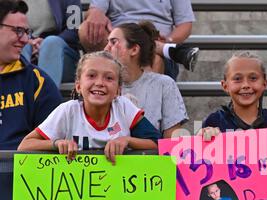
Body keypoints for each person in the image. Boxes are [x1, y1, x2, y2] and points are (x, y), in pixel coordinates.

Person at [18, 51, 161, 164]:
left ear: (118, 90)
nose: (99, 82)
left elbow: (157, 143)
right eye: (91, 76)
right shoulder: (68, 111)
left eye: (109, 78)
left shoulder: (124, 107)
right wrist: (56, 144)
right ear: (78, 85)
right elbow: (25, 145)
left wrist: (127, 140)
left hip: (118, 193)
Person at [104, 21, 188, 138]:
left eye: (113, 42)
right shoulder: (101, 86)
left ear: (134, 50)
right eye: (107, 42)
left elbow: (172, 141)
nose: (106, 49)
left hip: (152, 155)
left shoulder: (164, 84)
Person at [78, 0, 199, 80]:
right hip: (119, 40)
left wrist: (168, 40)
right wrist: (95, 13)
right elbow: (95, 11)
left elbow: (185, 25)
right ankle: (160, 47)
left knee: (154, 59)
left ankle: (145, 116)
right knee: (85, 29)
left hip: (156, 41)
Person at [0, 0, 62, 150]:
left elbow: (54, 139)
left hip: (16, 168)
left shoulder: (38, 82)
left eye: (26, 32)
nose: (25, 40)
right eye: (18, 31)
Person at [200, 51, 267, 138]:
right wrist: (204, 137)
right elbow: (197, 152)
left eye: (253, 78)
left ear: (264, 84)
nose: (246, 85)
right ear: (225, 86)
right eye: (237, 79)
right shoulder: (214, 121)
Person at [21, 0, 81, 88]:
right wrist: (29, 40)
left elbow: (74, 30)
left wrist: (43, 43)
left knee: (50, 42)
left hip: (61, 57)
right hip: (28, 51)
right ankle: (20, 95)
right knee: (21, 42)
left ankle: (46, 98)